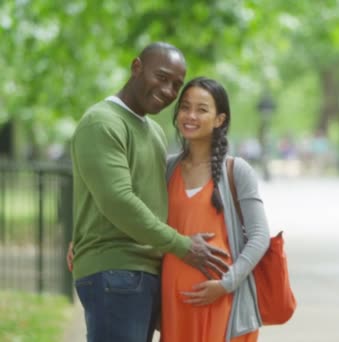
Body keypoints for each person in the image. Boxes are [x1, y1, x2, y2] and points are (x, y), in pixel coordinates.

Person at [69, 43, 230, 342]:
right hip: (115, 272)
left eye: (176, 86)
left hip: (146, 273)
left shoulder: (154, 132)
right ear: (136, 67)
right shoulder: (102, 122)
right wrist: (182, 245)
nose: (169, 90)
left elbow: (157, 198)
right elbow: (118, 201)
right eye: (162, 77)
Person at [161, 77, 270, 341]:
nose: (190, 116)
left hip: (222, 299)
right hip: (173, 299)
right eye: (185, 107)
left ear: (219, 119)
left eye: (201, 109)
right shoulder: (167, 169)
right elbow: (132, 214)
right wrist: (85, 241)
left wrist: (226, 284)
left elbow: (259, 237)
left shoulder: (236, 170)